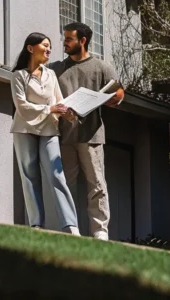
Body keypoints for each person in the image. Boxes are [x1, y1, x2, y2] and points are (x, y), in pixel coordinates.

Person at [49, 22, 124, 241]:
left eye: (69, 39)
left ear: (82, 41)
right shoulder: (56, 69)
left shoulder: (102, 67)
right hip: (63, 137)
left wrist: (106, 99)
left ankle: (100, 231)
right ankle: (68, 228)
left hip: (92, 135)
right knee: (64, 185)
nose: (65, 42)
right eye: (64, 38)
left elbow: (119, 94)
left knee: (97, 184)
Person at [10, 32, 80, 235]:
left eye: (50, 46)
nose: (49, 49)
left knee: (57, 176)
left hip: (49, 130)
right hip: (24, 129)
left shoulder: (51, 75)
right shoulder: (19, 76)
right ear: (30, 48)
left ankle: (71, 225)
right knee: (30, 176)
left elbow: (60, 102)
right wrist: (50, 109)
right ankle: (36, 225)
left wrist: (69, 114)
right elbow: (22, 107)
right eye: (45, 45)